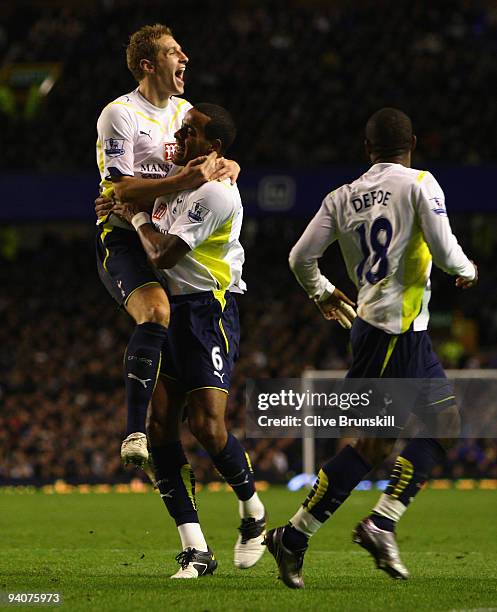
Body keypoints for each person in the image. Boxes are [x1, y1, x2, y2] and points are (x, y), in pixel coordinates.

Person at [265, 107, 478, 589]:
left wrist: (322, 292)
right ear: (414, 144)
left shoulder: (341, 197)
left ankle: (371, 525)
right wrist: (467, 271)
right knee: (373, 446)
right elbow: (446, 253)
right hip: (391, 333)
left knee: (443, 426)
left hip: (395, 332)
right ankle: (302, 536)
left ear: (367, 149)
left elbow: (300, 257)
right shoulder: (421, 183)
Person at [108, 103, 266, 579]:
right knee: (160, 428)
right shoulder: (178, 180)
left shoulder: (218, 194)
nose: (179, 134)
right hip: (170, 313)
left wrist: (134, 216)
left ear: (213, 146)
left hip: (207, 311)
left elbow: (165, 254)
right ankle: (195, 547)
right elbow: (135, 199)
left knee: (207, 426)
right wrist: (120, 204)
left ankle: (252, 510)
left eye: (190, 131)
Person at [95, 24, 239, 468]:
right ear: (148, 64)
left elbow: (210, 160)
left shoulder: (186, 112)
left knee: (185, 410)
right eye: (174, 52)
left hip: (166, 234)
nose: (185, 58)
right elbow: (118, 191)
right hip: (123, 235)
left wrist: (230, 163)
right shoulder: (119, 114)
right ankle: (134, 433)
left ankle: (169, 464)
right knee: (156, 311)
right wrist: (184, 180)